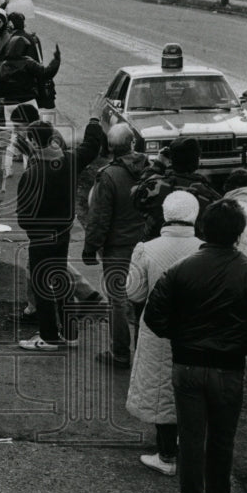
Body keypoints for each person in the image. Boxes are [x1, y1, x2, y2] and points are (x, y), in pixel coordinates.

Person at [144, 198, 247, 493]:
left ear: (203, 229)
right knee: (222, 438)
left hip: (187, 365)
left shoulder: (181, 270)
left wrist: (182, 337)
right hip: (230, 368)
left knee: (191, 436)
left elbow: (154, 317)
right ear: (240, 233)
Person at [125, 192, 203, 475]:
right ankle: (188, 448)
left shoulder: (147, 249)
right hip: (197, 331)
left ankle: (166, 454)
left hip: (158, 329)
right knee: (191, 389)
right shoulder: (206, 249)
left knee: (161, 388)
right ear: (195, 215)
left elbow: (134, 293)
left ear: (165, 214)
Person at [16, 117, 103, 351]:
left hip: (41, 239)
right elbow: (92, 146)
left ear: (34, 142)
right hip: (64, 234)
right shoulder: (70, 160)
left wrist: (35, 231)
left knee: (42, 285)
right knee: (62, 280)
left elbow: (23, 217)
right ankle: (70, 333)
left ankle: (48, 337)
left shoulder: (32, 173)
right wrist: (93, 121)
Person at [83, 123, 149, 368]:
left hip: (117, 247)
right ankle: (143, 353)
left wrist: (91, 247)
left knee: (117, 300)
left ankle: (120, 353)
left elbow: (99, 217)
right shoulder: (148, 169)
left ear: (110, 147)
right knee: (143, 299)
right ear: (132, 143)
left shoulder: (109, 175)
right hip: (145, 244)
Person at [131, 136, 220, 241]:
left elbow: (135, 193)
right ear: (197, 161)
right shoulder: (207, 195)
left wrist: (158, 164)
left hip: (156, 248)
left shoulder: (155, 186)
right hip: (193, 250)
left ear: (172, 160)